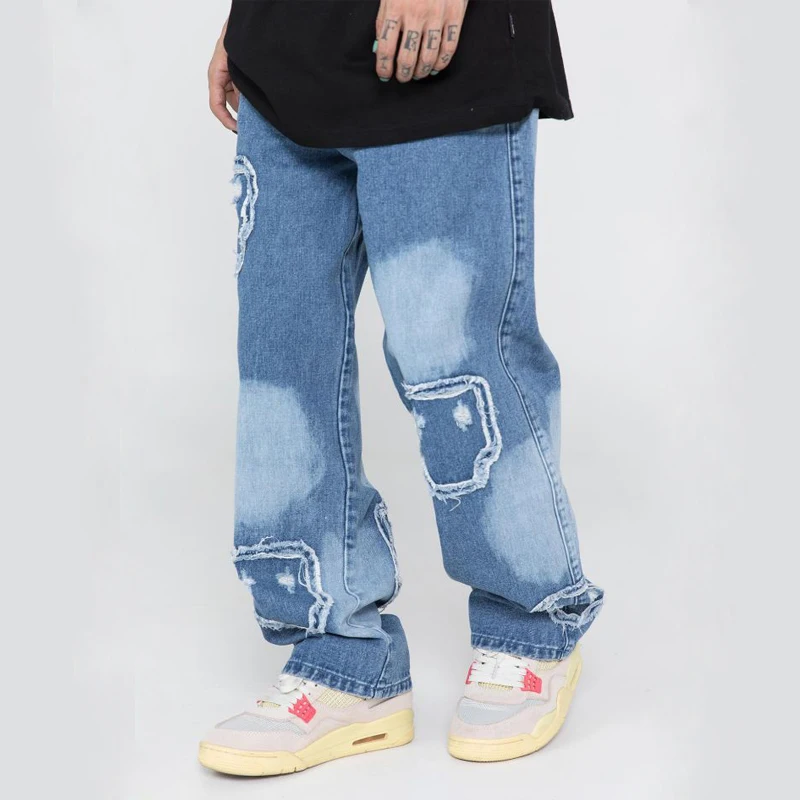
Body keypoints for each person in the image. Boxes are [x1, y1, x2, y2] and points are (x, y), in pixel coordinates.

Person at [199, 0, 603, 776]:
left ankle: (529, 627)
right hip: (286, 46)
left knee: (454, 354)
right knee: (283, 369)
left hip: (441, 53)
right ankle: (342, 660)